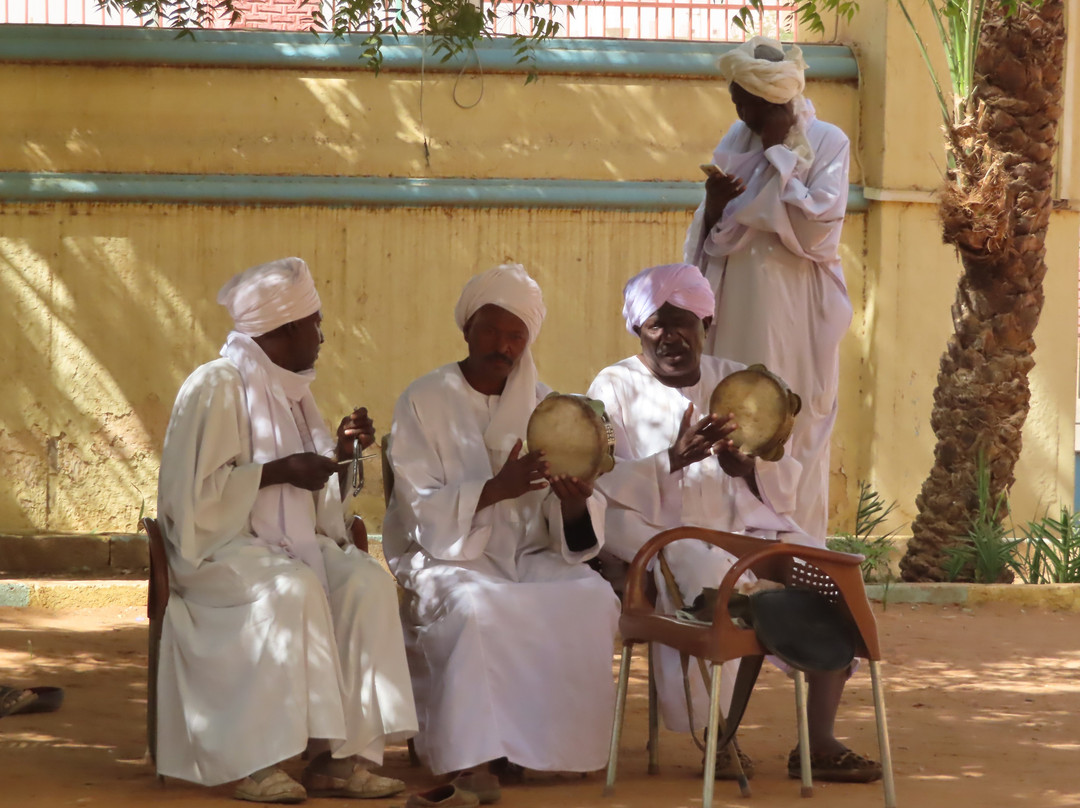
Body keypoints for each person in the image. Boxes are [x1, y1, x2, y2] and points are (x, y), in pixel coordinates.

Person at [588, 262, 881, 784]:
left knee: (829, 570)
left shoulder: (740, 381)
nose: (671, 336)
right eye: (657, 324)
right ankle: (717, 734)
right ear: (638, 329)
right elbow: (601, 478)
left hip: (743, 528)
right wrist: (671, 460)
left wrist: (745, 468)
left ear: (706, 323)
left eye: (683, 322)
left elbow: (781, 472)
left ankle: (818, 740)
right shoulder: (614, 385)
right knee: (697, 564)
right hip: (654, 532)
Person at [155, 257, 418, 803]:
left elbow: (314, 503)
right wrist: (277, 472)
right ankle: (259, 763)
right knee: (292, 588)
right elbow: (193, 502)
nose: (322, 336)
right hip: (218, 551)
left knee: (366, 583)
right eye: (315, 324)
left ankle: (338, 761)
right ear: (287, 327)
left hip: (289, 544)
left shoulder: (293, 392)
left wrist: (340, 454)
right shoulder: (216, 385)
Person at [382, 263, 620, 786]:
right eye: (490, 330)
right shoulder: (423, 399)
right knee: (474, 607)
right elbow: (418, 505)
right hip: (449, 556)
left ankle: (550, 750)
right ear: (467, 328)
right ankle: (475, 758)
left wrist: (573, 505)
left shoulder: (550, 407)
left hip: (530, 555)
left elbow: (569, 516)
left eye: (516, 335)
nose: (503, 345)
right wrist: (495, 489)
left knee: (592, 598)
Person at [684, 35, 853, 544]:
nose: (738, 112)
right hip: (737, 300)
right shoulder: (737, 138)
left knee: (792, 424)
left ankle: (795, 553)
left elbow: (817, 231)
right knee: (734, 417)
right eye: (735, 100)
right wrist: (715, 204)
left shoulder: (827, 141)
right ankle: (729, 553)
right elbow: (714, 231)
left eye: (746, 102)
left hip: (796, 306)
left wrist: (780, 153)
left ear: (772, 100)